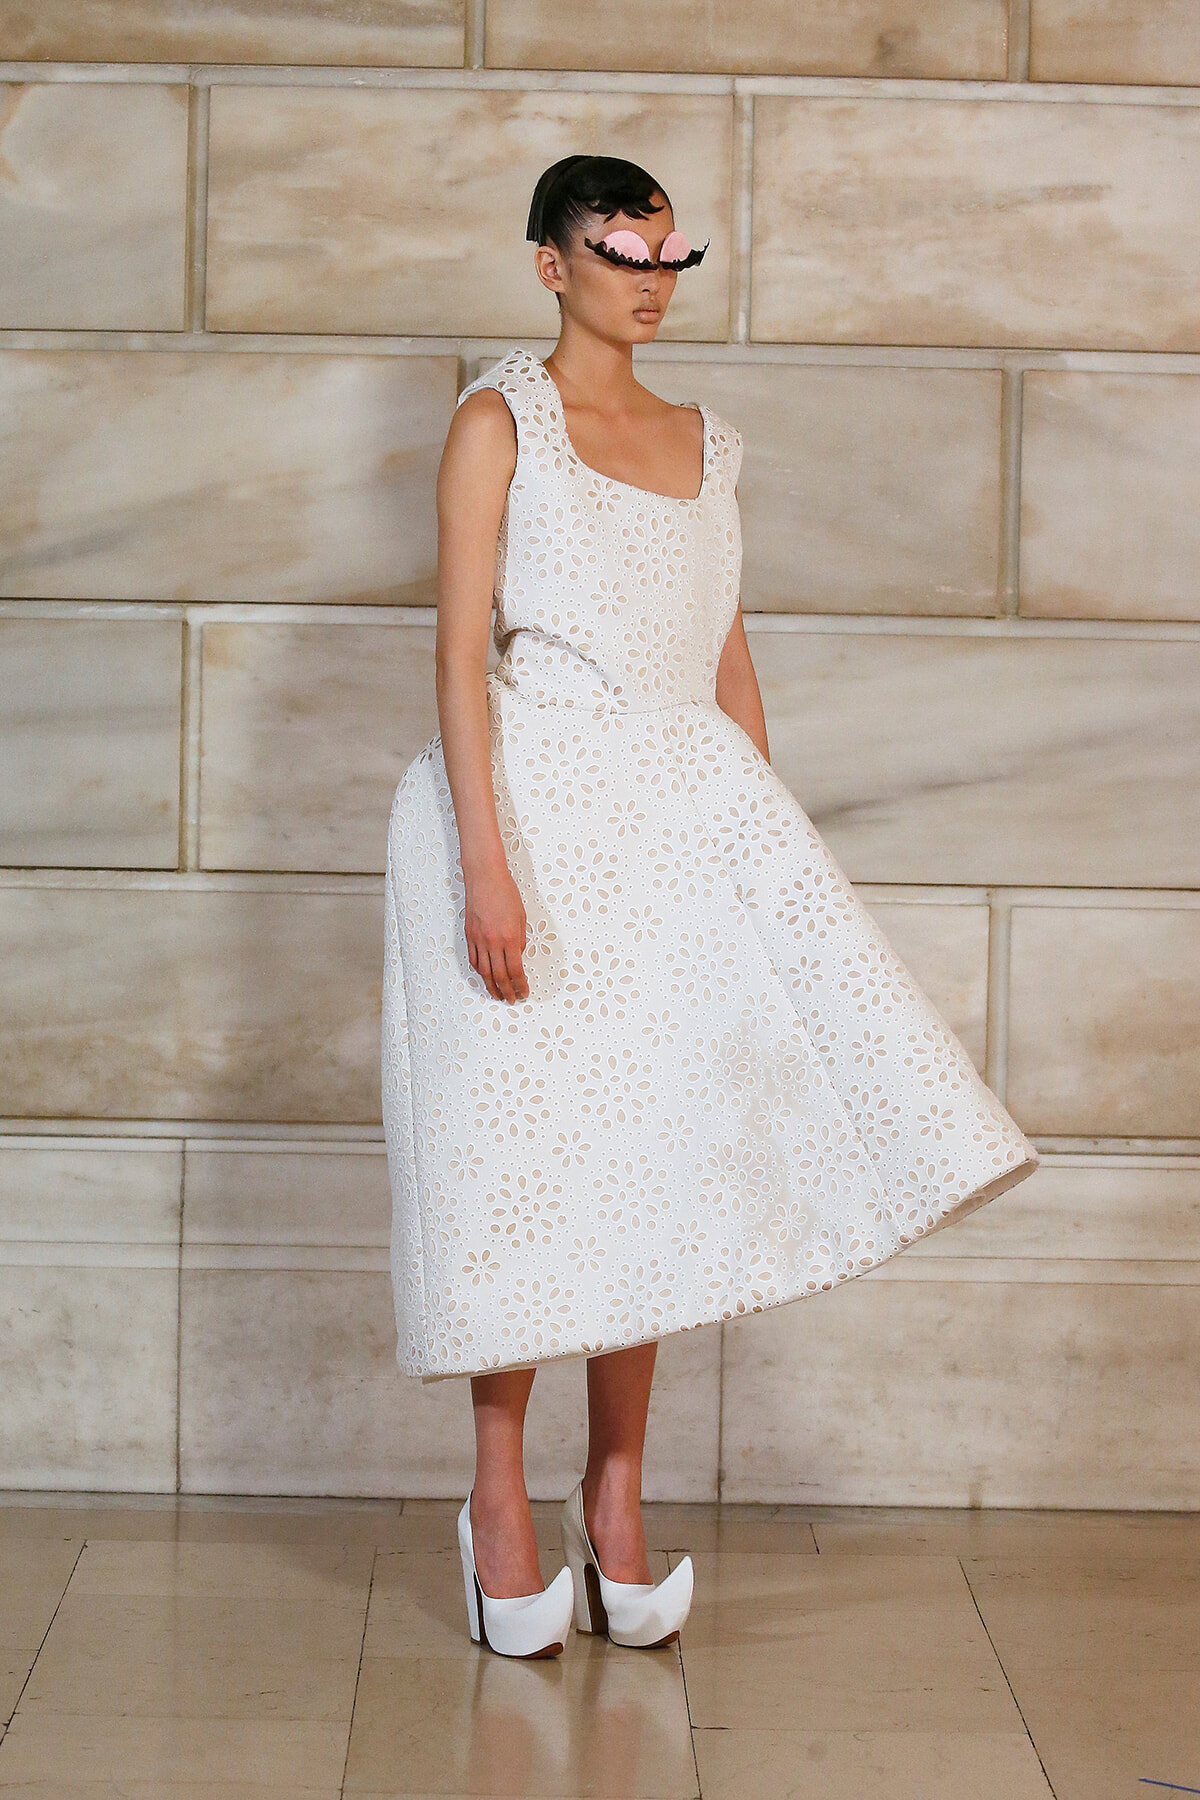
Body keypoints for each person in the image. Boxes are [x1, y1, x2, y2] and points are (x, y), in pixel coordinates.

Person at [381, 153, 1038, 1658]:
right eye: (621, 253)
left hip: (676, 835)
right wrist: (486, 860)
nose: (651, 280)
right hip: (532, 816)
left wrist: (764, 847)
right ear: (553, 264)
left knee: (651, 1160)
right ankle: (498, 1504)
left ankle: (616, 1505)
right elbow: (459, 656)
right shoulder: (498, 426)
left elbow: (726, 656)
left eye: (672, 255)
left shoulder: (709, 443)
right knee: (521, 1156)